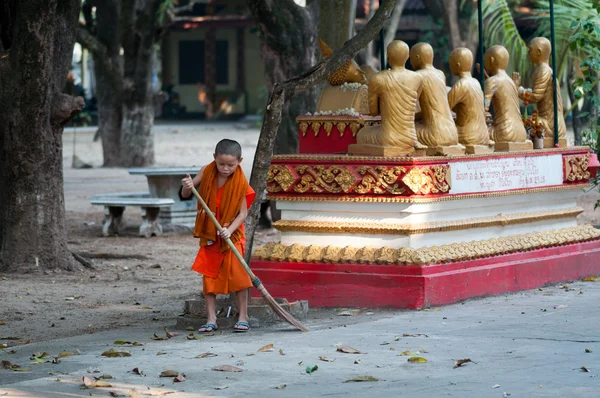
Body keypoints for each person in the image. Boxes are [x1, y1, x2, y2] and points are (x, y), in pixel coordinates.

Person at [180, 139, 255, 333]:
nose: (225, 168)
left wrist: (229, 230)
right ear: (214, 158)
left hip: (232, 234)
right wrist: (187, 185)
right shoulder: (207, 171)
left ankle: (243, 316)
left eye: (231, 165)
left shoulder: (240, 181)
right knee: (209, 276)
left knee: (238, 275)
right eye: (221, 164)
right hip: (211, 232)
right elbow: (187, 193)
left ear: (240, 161)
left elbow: (243, 214)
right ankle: (211, 318)